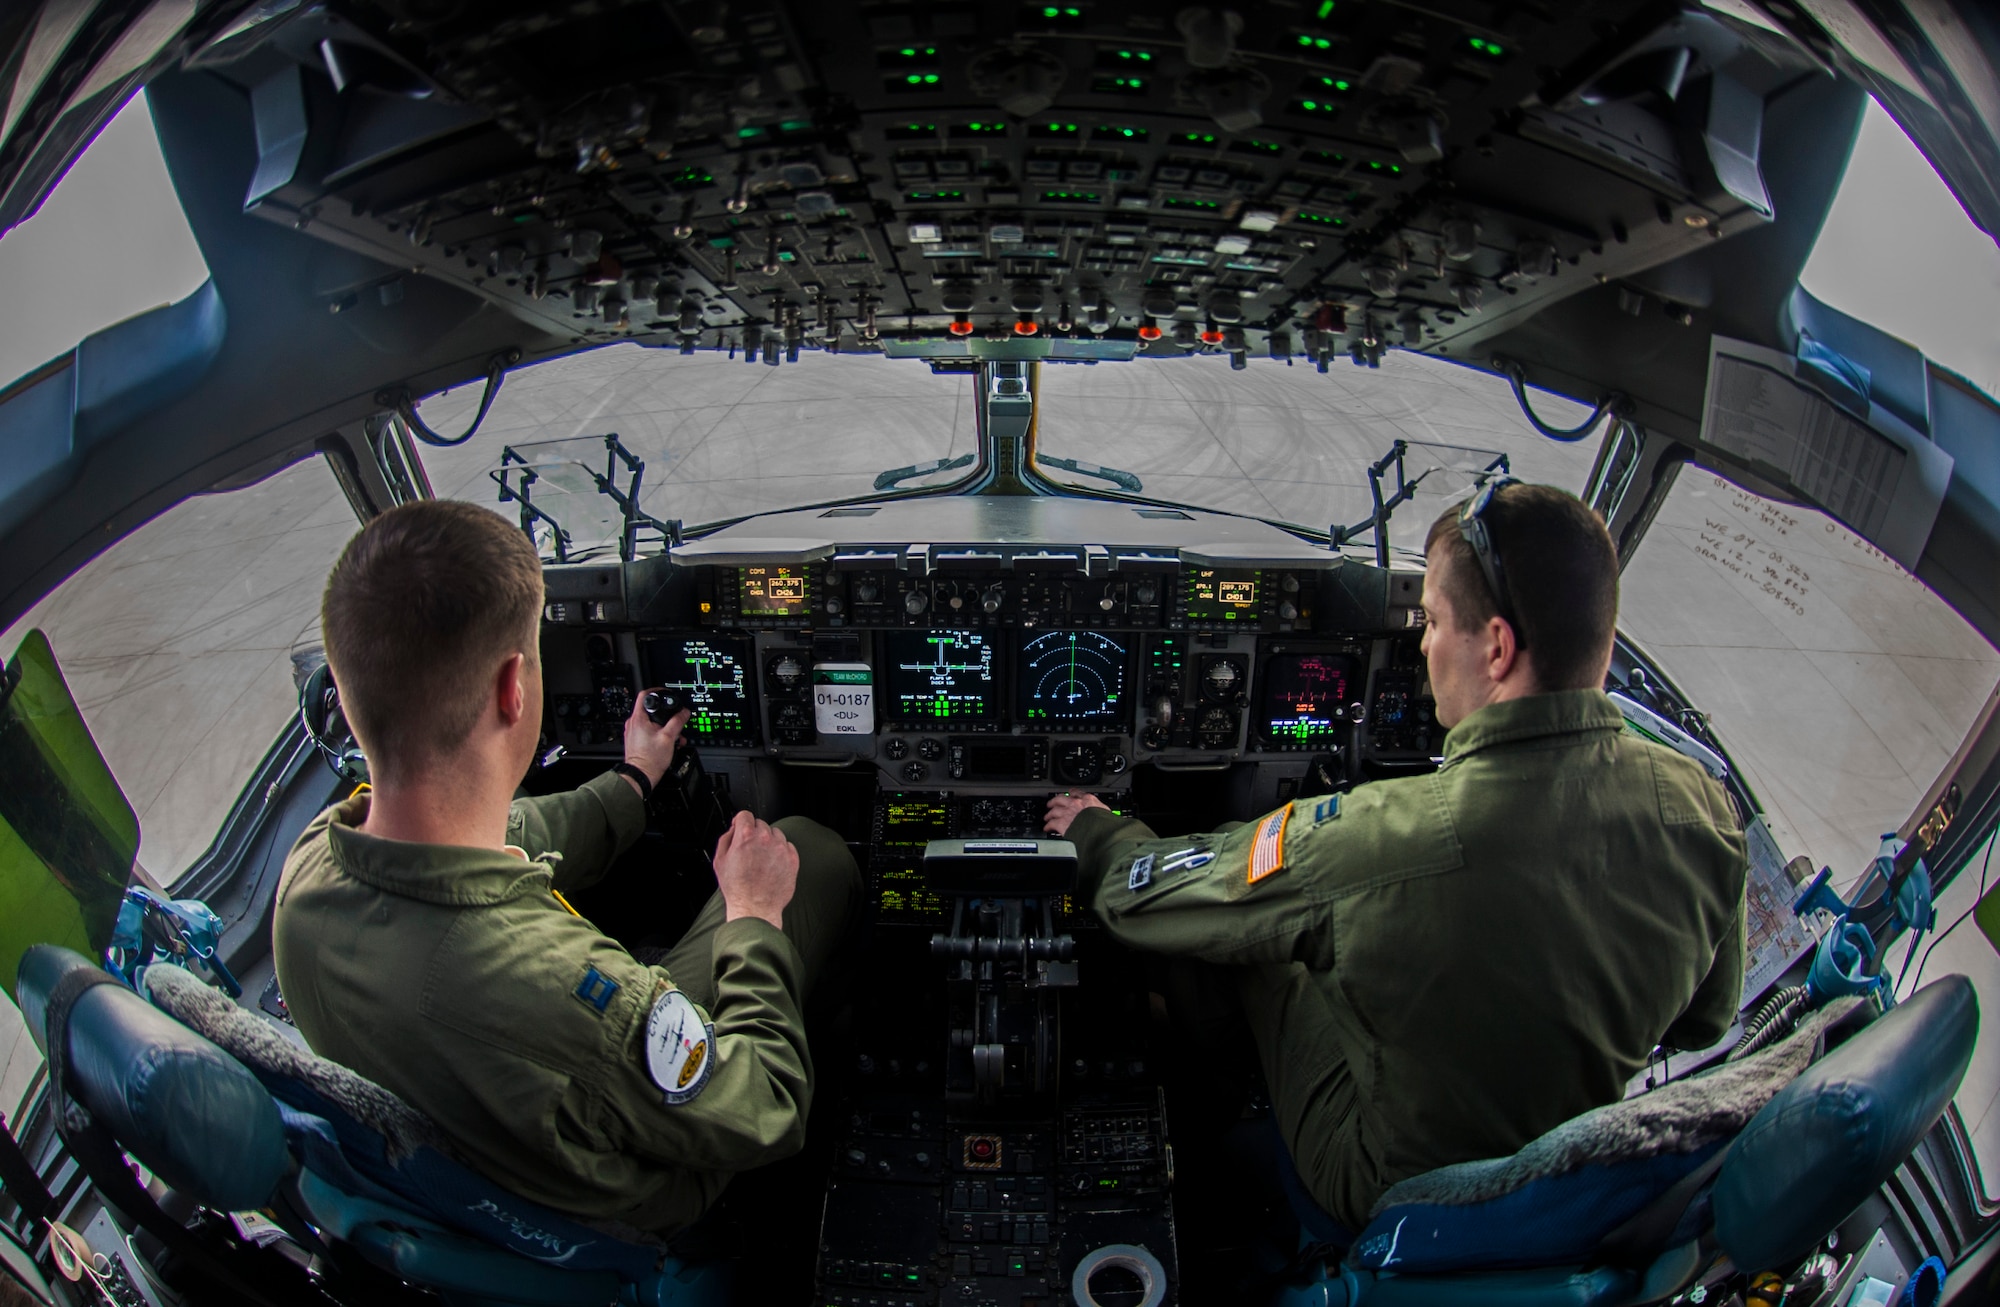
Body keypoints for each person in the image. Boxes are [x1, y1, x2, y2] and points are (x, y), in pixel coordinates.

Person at [1044, 481, 1747, 1234]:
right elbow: (1706, 1021)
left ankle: (1214, 1113)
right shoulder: (1701, 805)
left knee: (1252, 939)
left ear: (1499, 648)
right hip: (1564, 1184)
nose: (1421, 643)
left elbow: (1153, 896)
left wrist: (1095, 831)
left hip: (1391, 1185)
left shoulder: (1380, 835)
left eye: (1435, 621)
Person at [273, 500, 859, 1234]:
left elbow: (510, 830)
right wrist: (755, 915)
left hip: (491, 1136)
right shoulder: (578, 999)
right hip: (631, 1200)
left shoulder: (312, 870)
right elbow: (767, 1104)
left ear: (349, 691)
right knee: (812, 852)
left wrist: (635, 778)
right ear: (513, 688)